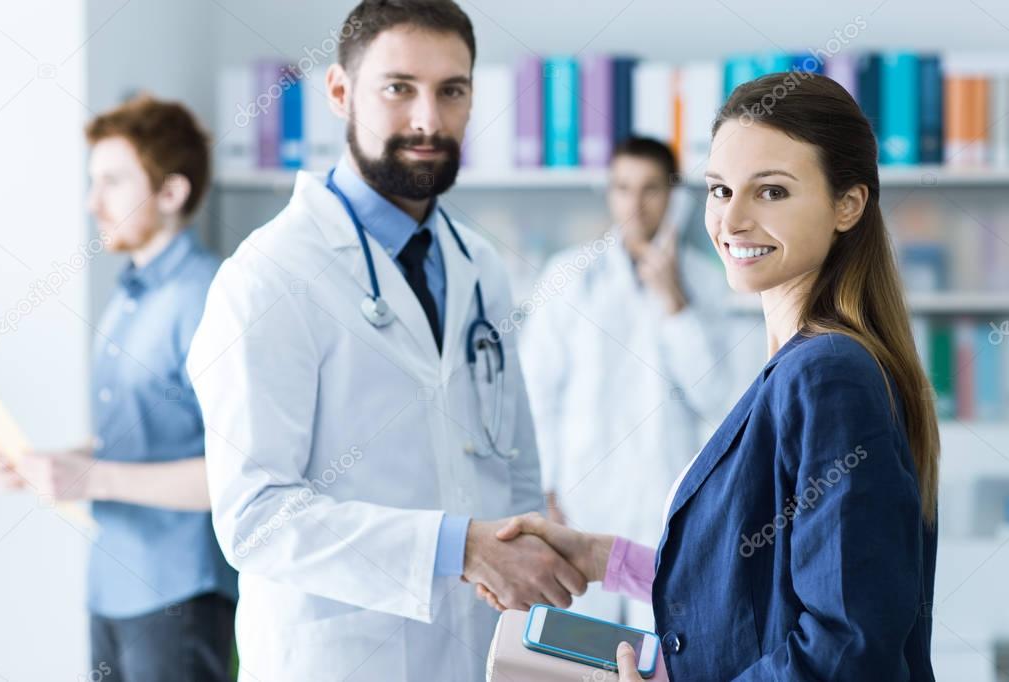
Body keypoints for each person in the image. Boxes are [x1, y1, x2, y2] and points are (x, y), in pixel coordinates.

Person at [480, 72, 940, 681]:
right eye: (720, 190)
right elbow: (758, 590)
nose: (733, 220)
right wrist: (603, 558)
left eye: (771, 192)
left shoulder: (829, 376)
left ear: (847, 205)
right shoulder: (800, 364)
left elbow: (845, 655)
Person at [184, 2, 585, 680]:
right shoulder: (268, 276)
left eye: (450, 90)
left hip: (478, 650)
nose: (427, 120)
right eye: (398, 88)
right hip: (336, 656)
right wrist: (456, 548)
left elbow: (513, 465)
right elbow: (254, 517)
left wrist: (526, 565)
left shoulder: (478, 263)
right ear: (340, 92)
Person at [0, 95, 238, 681]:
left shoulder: (209, 297)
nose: (92, 202)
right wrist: (57, 463)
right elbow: (147, 439)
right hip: (112, 584)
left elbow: (233, 471)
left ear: (171, 194)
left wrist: (90, 478)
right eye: (92, 181)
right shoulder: (130, 295)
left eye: (113, 182)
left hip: (178, 594)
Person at [520, 135, 733, 628]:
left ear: (675, 196)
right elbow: (536, 391)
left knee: (658, 654)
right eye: (622, 188)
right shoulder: (568, 275)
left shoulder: (703, 281)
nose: (635, 205)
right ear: (610, 193)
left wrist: (674, 306)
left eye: (650, 189)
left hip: (663, 510)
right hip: (578, 504)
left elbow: (717, 399)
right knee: (572, 653)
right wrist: (545, 487)